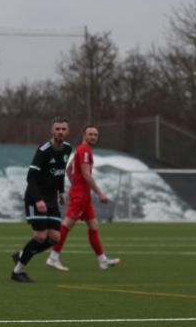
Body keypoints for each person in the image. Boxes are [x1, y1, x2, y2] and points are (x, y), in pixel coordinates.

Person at [46, 125, 121, 271]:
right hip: (81, 195)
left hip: (83, 194)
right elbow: (86, 174)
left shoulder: (80, 150)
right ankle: (53, 257)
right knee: (67, 224)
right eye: (90, 134)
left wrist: (76, 184)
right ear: (84, 135)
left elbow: (68, 170)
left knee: (94, 226)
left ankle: (102, 260)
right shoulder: (85, 150)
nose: (93, 137)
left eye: (96, 135)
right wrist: (100, 193)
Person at [11, 117, 72, 283]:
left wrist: (61, 192)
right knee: (40, 236)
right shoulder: (44, 150)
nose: (60, 132)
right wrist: (38, 199)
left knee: (55, 238)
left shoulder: (67, 149)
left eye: (63, 129)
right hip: (35, 197)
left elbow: (60, 172)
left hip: (51, 199)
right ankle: (18, 272)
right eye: (57, 129)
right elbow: (30, 177)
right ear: (52, 131)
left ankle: (21, 255)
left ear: (67, 131)